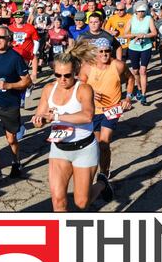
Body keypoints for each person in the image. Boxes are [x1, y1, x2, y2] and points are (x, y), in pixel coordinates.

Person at [32, 41, 106, 212]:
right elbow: (38, 118)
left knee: (81, 203)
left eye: (67, 75)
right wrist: (39, 121)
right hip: (59, 149)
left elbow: (87, 116)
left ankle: (102, 184)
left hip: (84, 149)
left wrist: (57, 116)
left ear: (75, 72)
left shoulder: (84, 89)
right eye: (58, 75)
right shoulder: (49, 89)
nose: (62, 80)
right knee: (58, 202)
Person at [0, 25, 32, 184]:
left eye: (1, 37)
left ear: (9, 40)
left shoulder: (15, 58)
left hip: (9, 104)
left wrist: (9, 86)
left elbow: (27, 81)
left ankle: (16, 162)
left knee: (11, 140)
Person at [80, 38, 135, 187]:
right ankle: (103, 167)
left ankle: (103, 173)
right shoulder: (87, 67)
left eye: (107, 51)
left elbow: (131, 79)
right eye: (101, 51)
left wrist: (128, 98)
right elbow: (80, 86)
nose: (104, 54)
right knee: (98, 144)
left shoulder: (118, 65)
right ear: (95, 53)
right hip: (94, 110)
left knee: (104, 142)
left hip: (112, 109)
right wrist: (90, 92)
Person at [123, 2, 157, 105]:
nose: (141, 13)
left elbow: (154, 32)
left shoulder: (148, 18)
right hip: (134, 47)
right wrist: (135, 35)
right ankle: (139, 87)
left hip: (146, 47)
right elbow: (125, 34)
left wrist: (144, 36)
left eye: (143, 11)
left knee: (143, 70)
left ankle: (144, 95)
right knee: (136, 71)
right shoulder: (132, 19)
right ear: (135, 11)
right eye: (139, 11)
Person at [8, 11, 40, 84]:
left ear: (24, 17)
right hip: (13, 55)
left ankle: (27, 86)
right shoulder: (9, 28)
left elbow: (36, 41)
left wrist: (34, 54)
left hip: (26, 55)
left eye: (20, 17)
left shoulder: (30, 27)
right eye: (16, 17)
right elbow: (6, 41)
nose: (18, 19)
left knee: (23, 74)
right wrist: (10, 45)